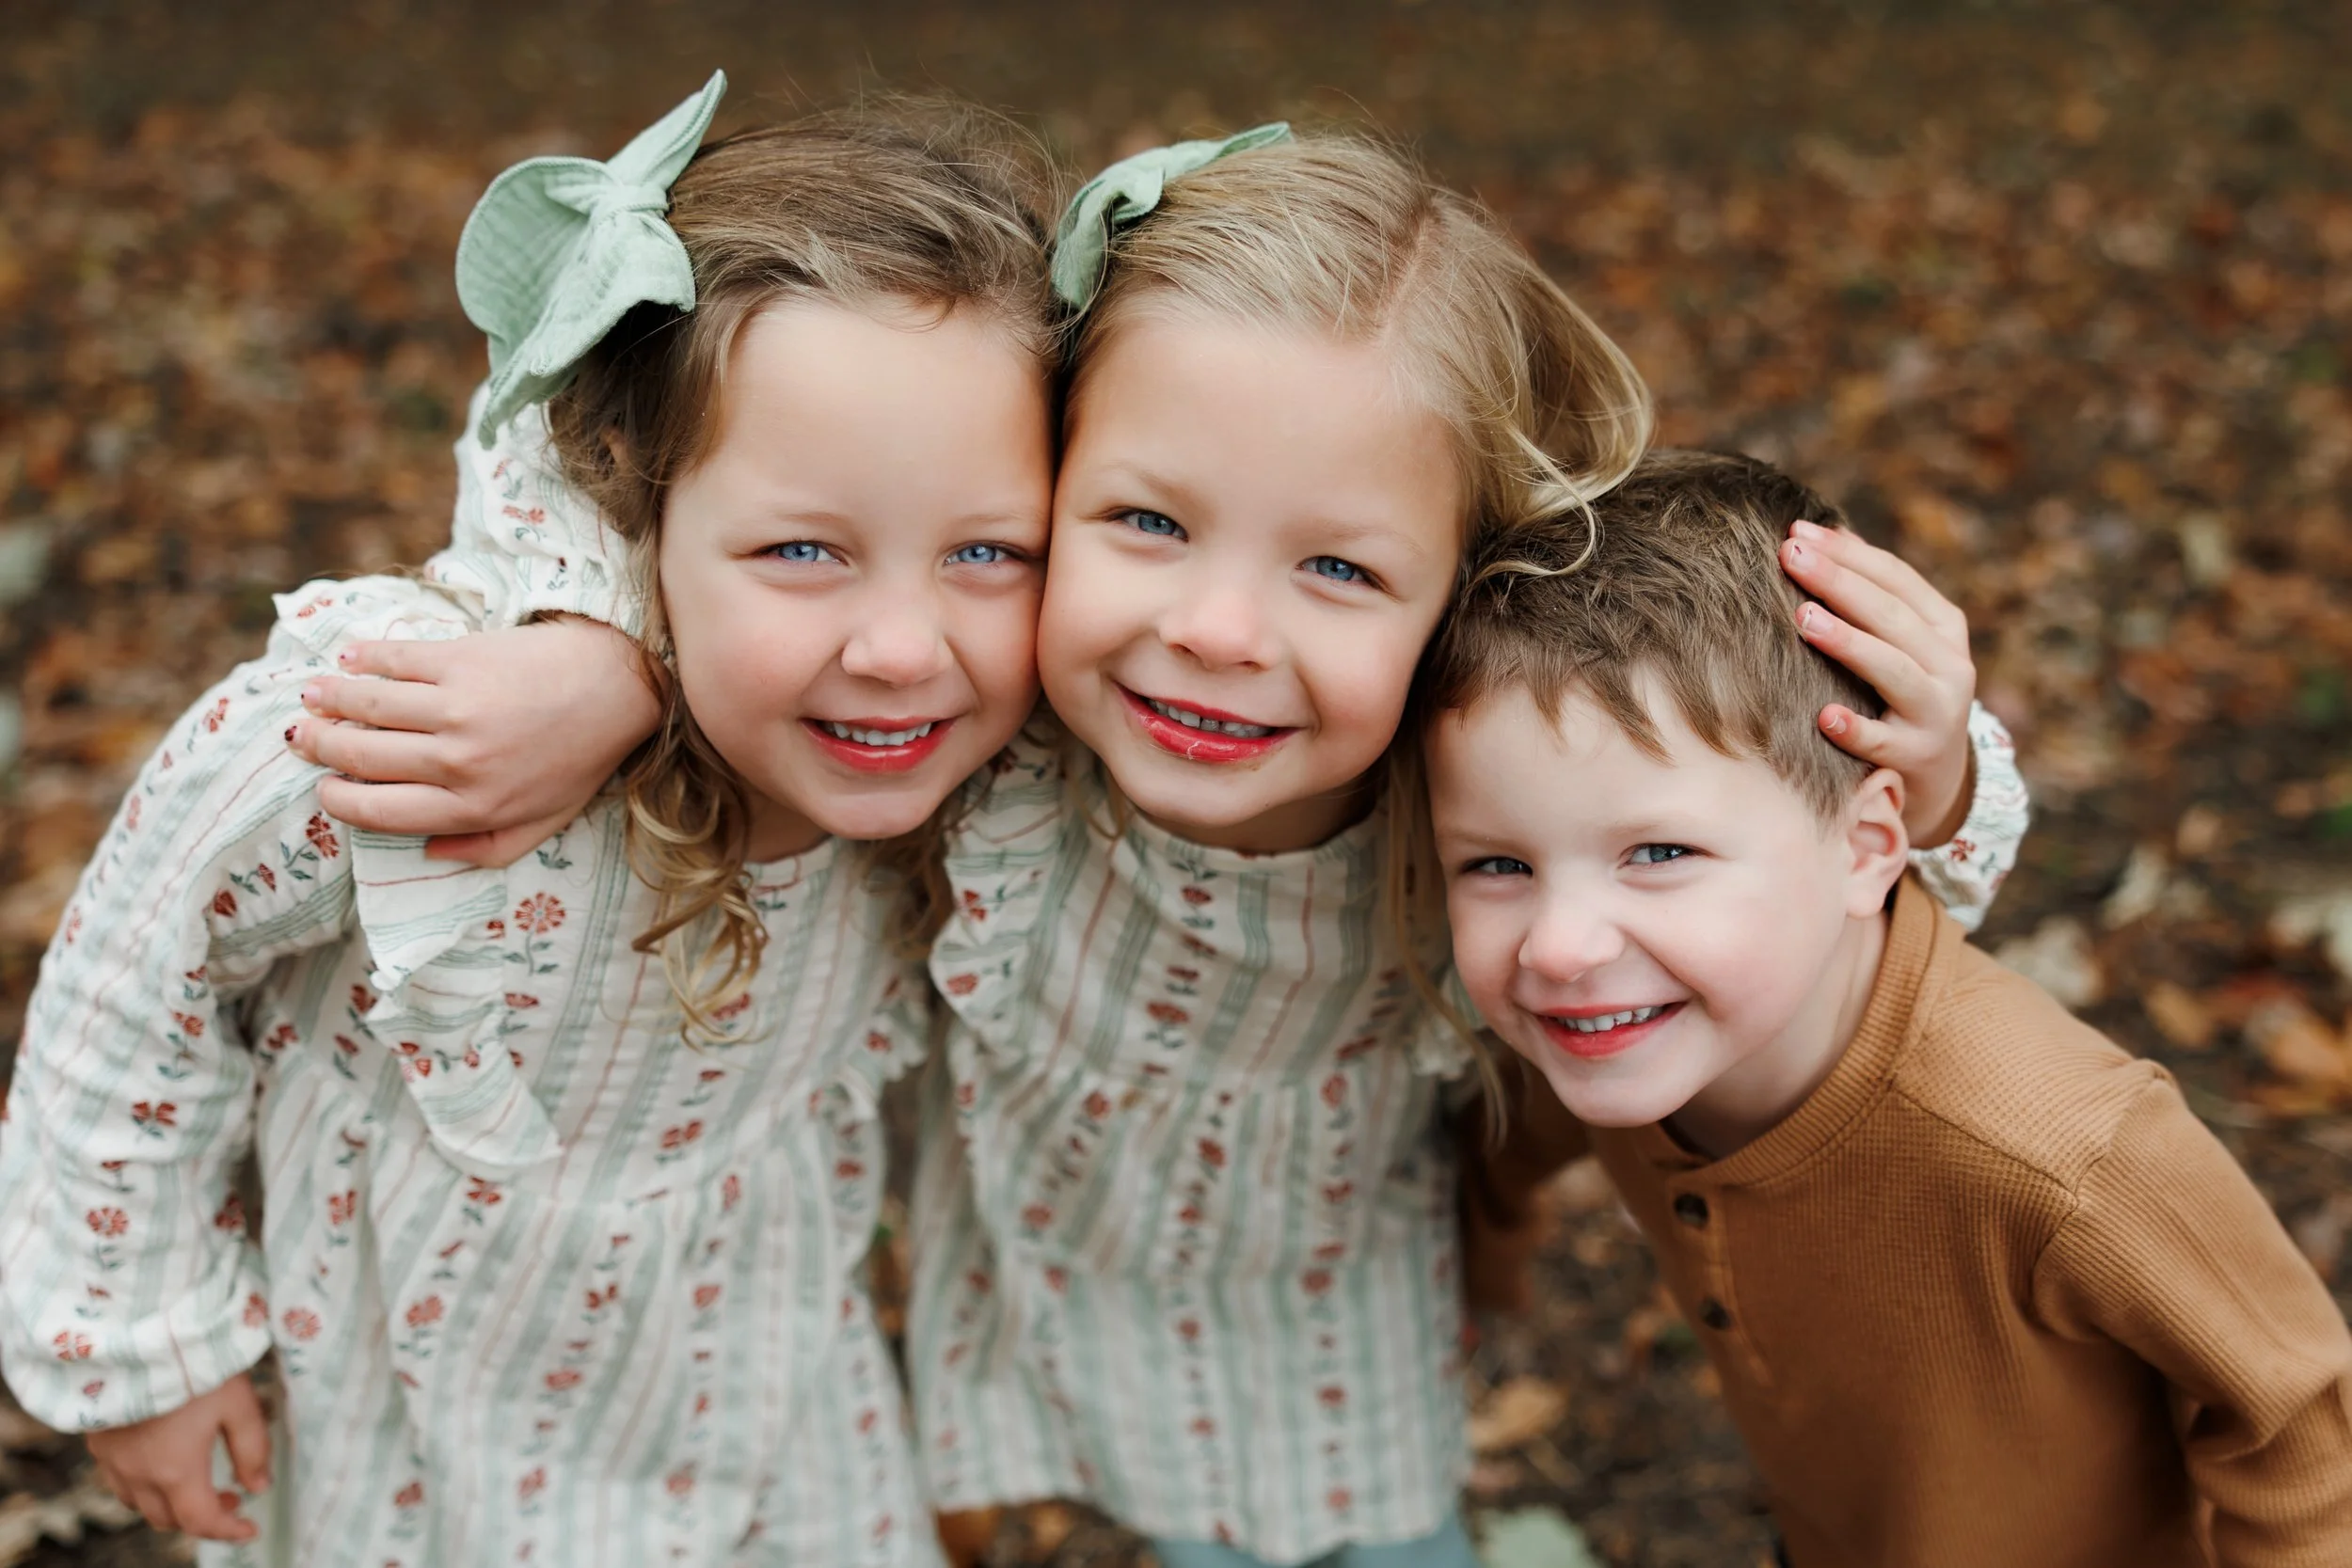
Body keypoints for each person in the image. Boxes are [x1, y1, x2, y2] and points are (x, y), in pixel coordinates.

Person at [288, 128, 2026, 1567]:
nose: (1212, 629)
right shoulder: (993, 711)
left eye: (1337, 568)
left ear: (1454, 588)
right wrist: (597, 649)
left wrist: (1933, 770)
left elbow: (1794, 868)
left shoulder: (1466, 784)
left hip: (1323, 1353)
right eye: (1141, 522)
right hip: (1000, 1320)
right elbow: (617, 433)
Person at [0, 74, 1064, 1566]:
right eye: (803, 547)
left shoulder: (996, 774)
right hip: (416, 1420)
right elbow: (140, 962)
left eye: (988, 549)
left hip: (766, 1397)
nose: (903, 645)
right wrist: (141, 1347)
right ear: (638, 502)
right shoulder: (429, 724)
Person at [1421, 449, 2352, 1567]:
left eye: (1658, 851)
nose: (1560, 944)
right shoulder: (1605, 1035)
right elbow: (1501, 1142)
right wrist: (1475, 1276)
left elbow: (2302, 1423)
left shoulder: (2063, 1152)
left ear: (1868, 844)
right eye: (1495, 865)